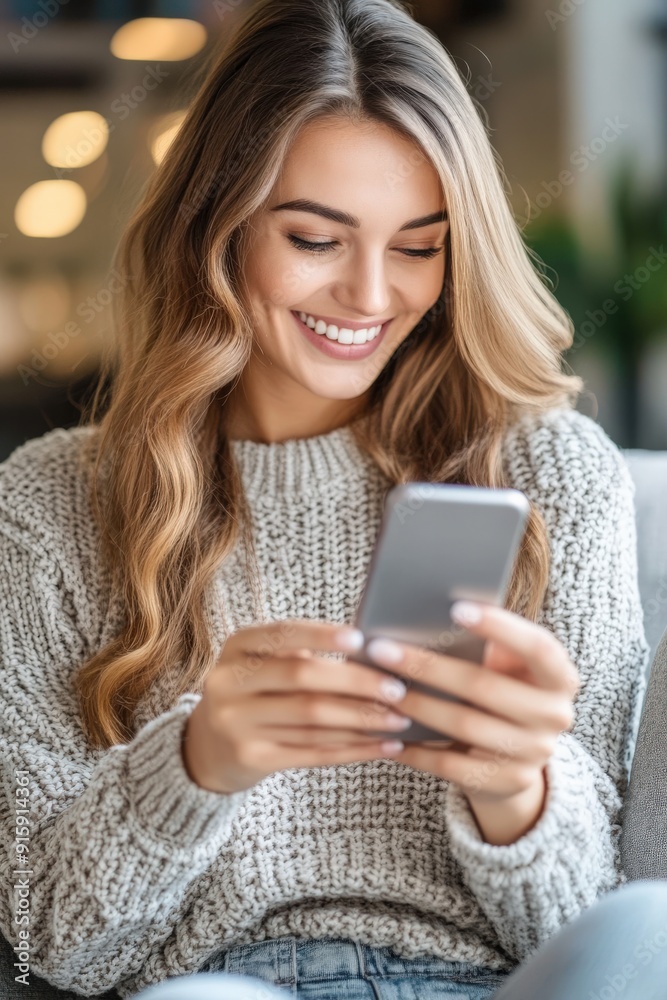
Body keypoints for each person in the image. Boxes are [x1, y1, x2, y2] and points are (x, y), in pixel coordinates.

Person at [0, 0, 661, 998]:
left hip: (494, 982)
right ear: (212, 230)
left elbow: (583, 919)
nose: (370, 294)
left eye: (418, 245)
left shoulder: (549, 473)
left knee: (646, 929)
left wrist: (511, 787)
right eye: (316, 238)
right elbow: (52, 940)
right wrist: (197, 760)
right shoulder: (47, 504)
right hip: (223, 986)